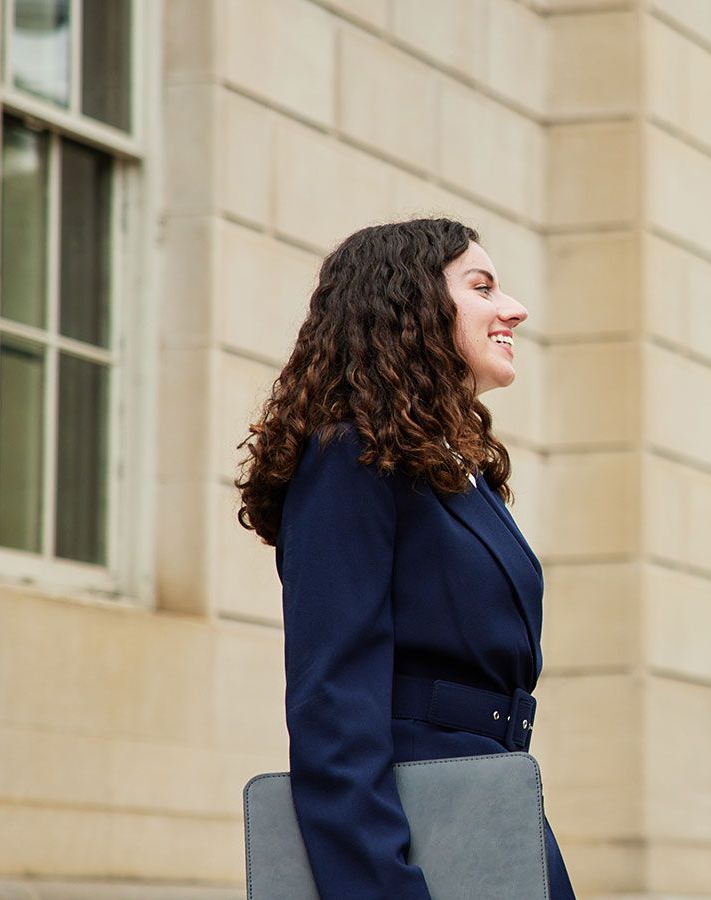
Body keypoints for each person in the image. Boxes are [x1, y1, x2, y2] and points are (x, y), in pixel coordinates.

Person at [235, 218, 577, 899]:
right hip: (413, 829)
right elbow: (332, 704)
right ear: (413, 308)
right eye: (482, 287)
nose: (514, 308)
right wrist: (381, 885)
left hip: (491, 804)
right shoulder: (349, 459)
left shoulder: (456, 470)